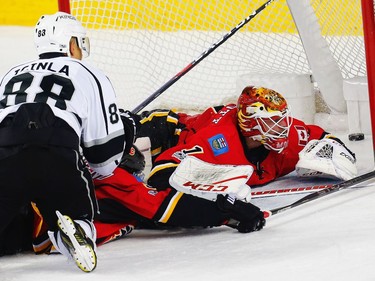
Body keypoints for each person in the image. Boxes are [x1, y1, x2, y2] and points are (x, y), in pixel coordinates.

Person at [0, 12, 136, 272]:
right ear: (71, 43)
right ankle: (76, 230)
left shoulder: (11, 74)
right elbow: (103, 156)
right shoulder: (88, 72)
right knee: (75, 209)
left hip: (4, 153)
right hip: (56, 147)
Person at [137, 86, 358, 195]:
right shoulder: (217, 142)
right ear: (251, 124)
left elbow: (323, 137)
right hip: (166, 129)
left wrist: (335, 157)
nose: (282, 128)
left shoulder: (288, 136)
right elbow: (160, 174)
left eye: (283, 119)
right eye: (272, 122)